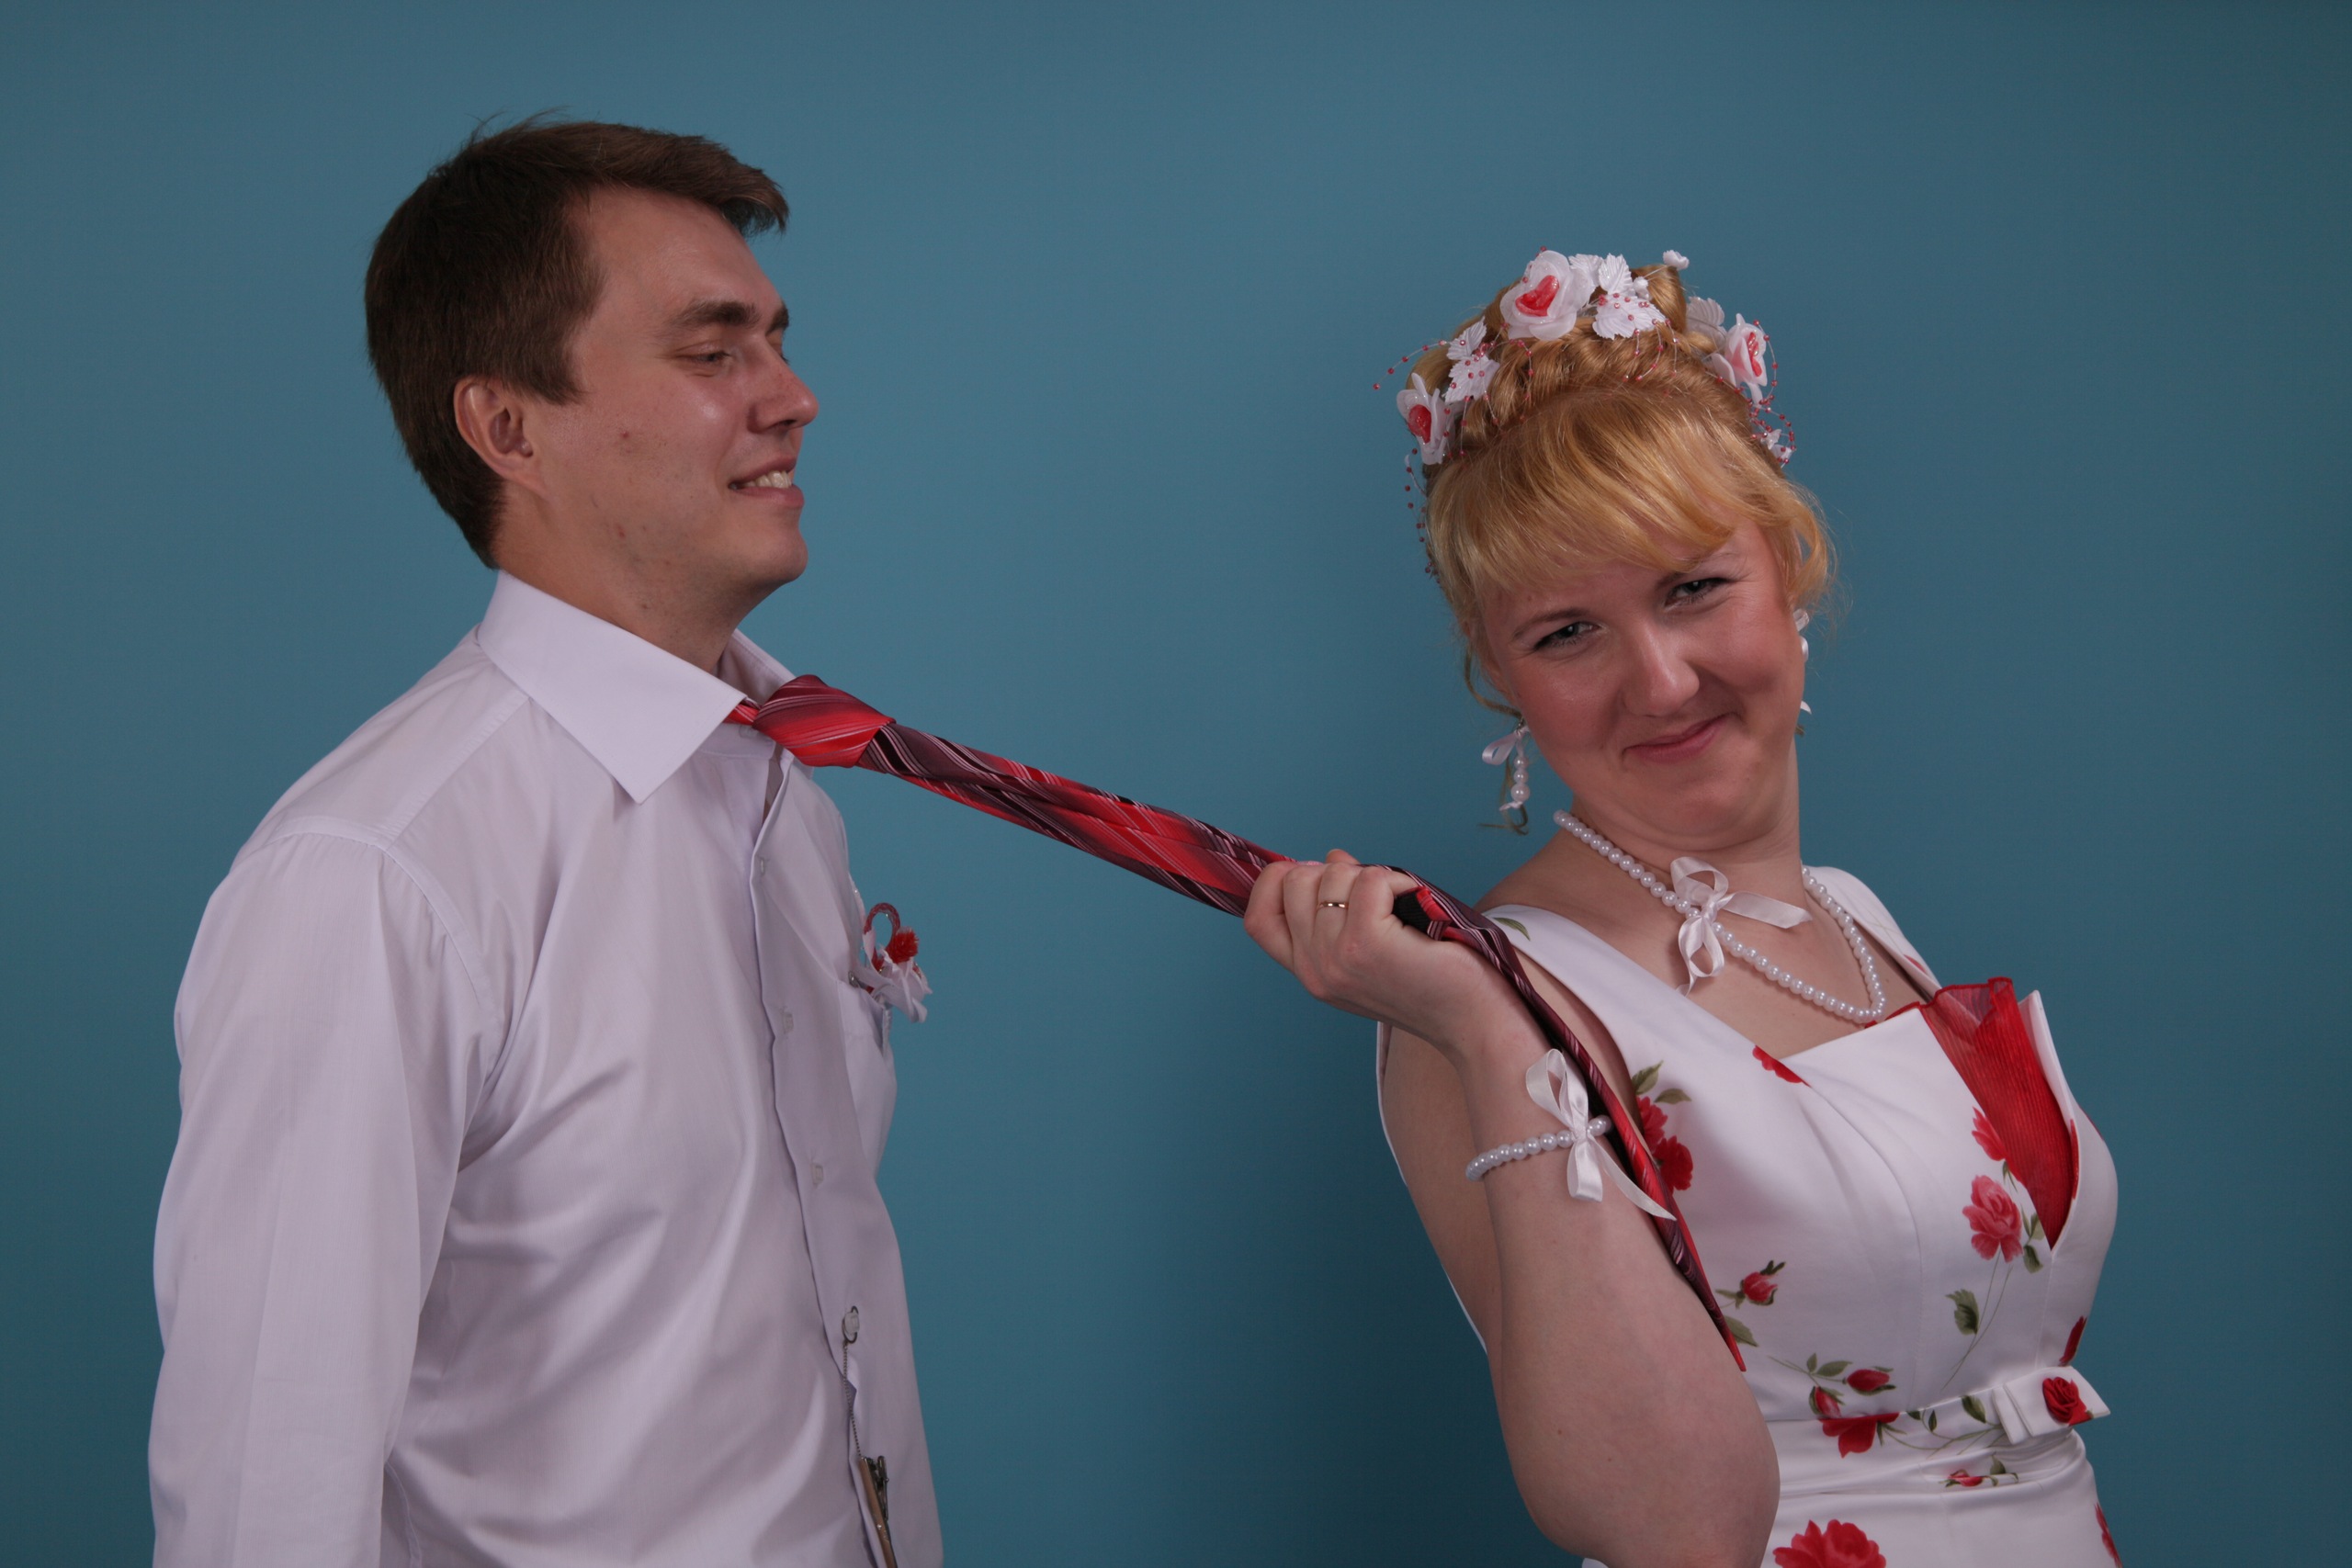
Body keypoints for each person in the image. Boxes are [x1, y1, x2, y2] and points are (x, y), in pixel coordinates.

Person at [1245, 250, 2120, 1568]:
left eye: (1693, 589)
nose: (1658, 683)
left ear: (1790, 567)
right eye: (1566, 633)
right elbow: (1667, 1532)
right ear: (1499, 672)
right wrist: (1490, 1036)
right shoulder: (1489, 996)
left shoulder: (1852, 915)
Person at [151, 119, 940, 1567]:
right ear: (509, 429)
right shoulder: (375, 879)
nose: (793, 398)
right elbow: (267, 1494)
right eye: (714, 351)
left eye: (776, 341)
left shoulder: (788, 799)